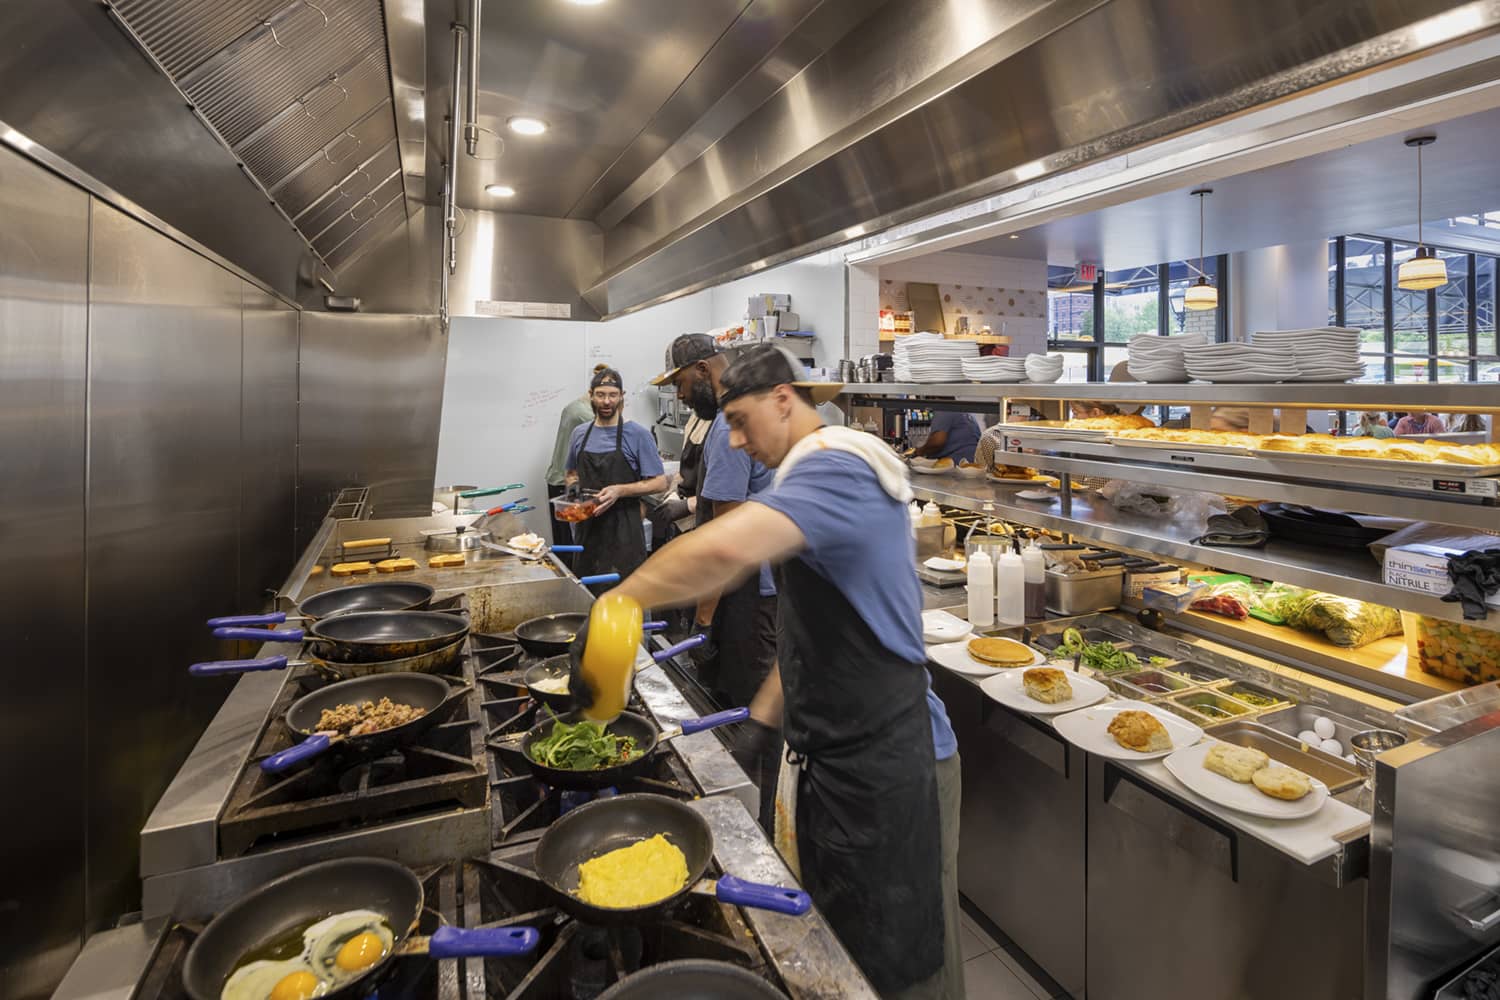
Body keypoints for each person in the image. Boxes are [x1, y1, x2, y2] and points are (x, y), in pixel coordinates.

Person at [579, 346, 952, 998]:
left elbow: (724, 549)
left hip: (894, 764)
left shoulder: (840, 470)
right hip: (841, 757)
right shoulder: (806, 473)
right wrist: (760, 719)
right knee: (852, 954)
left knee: (909, 969)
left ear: (785, 399)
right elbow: (816, 635)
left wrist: (620, 602)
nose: (739, 441)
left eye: (745, 421)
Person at [653, 334, 785, 830]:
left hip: (745, 598)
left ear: (706, 370)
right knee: (748, 720)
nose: (680, 395)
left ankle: (754, 830)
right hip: (762, 589)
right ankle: (759, 815)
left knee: (744, 721)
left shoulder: (729, 428)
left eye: (683, 383)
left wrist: (702, 622)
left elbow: (724, 543)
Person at [564, 367, 668, 586]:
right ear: (591, 395)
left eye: (612, 395)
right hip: (588, 530)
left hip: (625, 532)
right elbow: (571, 473)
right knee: (588, 595)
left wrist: (620, 490)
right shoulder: (579, 433)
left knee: (625, 596)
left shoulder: (638, 435)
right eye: (600, 395)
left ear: (622, 396)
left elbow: (660, 482)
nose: (606, 401)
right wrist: (573, 488)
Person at [544, 369, 602, 556]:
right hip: (567, 484)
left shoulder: (574, 406)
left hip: (556, 479)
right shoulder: (584, 414)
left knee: (564, 544)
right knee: (573, 547)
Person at [912, 409, 982, 464]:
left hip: (956, 466)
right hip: (973, 465)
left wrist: (920, 451)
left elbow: (937, 442)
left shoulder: (944, 409)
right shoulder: (966, 412)